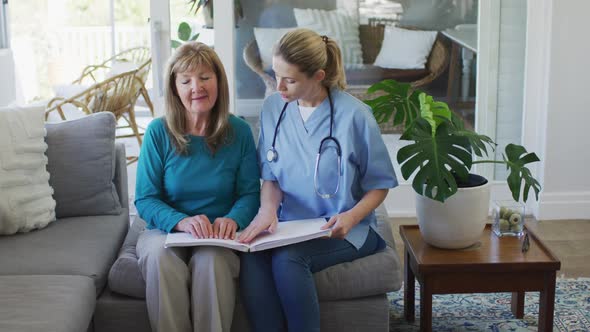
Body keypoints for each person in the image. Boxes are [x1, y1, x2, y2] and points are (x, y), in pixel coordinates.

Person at [237, 28, 398, 331]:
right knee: (252, 258)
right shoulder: (274, 108)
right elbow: (271, 176)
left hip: (342, 229)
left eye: (290, 79)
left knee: (288, 260)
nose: (279, 86)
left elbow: (379, 184)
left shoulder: (355, 116)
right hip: (289, 225)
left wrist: (350, 217)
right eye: (276, 74)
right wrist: (267, 210)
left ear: (318, 76)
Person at [134, 42, 260, 332]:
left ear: (218, 81)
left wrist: (233, 219)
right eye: (186, 80)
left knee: (212, 263)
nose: (196, 87)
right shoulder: (158, 131)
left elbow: (250, 193)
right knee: (159, 259)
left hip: (219, 235)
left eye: (205, 77)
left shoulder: (239, 131)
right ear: (174, 87)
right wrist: (181, 221)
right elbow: (145, 198)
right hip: (165, 231)